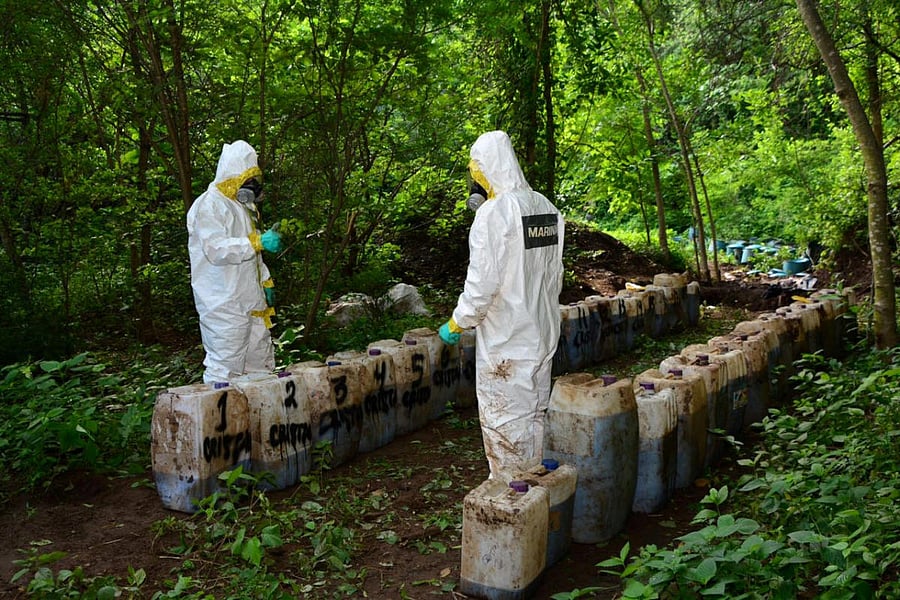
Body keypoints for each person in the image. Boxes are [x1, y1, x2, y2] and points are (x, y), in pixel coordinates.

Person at [439, 130, 564, 478]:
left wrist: (458, 321)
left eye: (475, 173)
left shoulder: (494, 215)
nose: (473, 182)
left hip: (507, 341)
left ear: (486, 168)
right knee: (535, 413)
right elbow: (555, 275)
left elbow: (482, 286)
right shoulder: (544, 207)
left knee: (505, 420)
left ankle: (512, 492)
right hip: (542, 333)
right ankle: (536, 483)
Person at [187, 140, 283, 384]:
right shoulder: (208, 206)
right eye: (246, 178)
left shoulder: (242, 207)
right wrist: (257, 242)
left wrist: (265, 280)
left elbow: (252, 253)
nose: (250, 185)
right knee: (225, 369)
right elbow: (216, 249)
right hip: (223, 303)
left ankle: (260, 418)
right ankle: (221, 421)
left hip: (251, 300)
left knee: (260, 365)